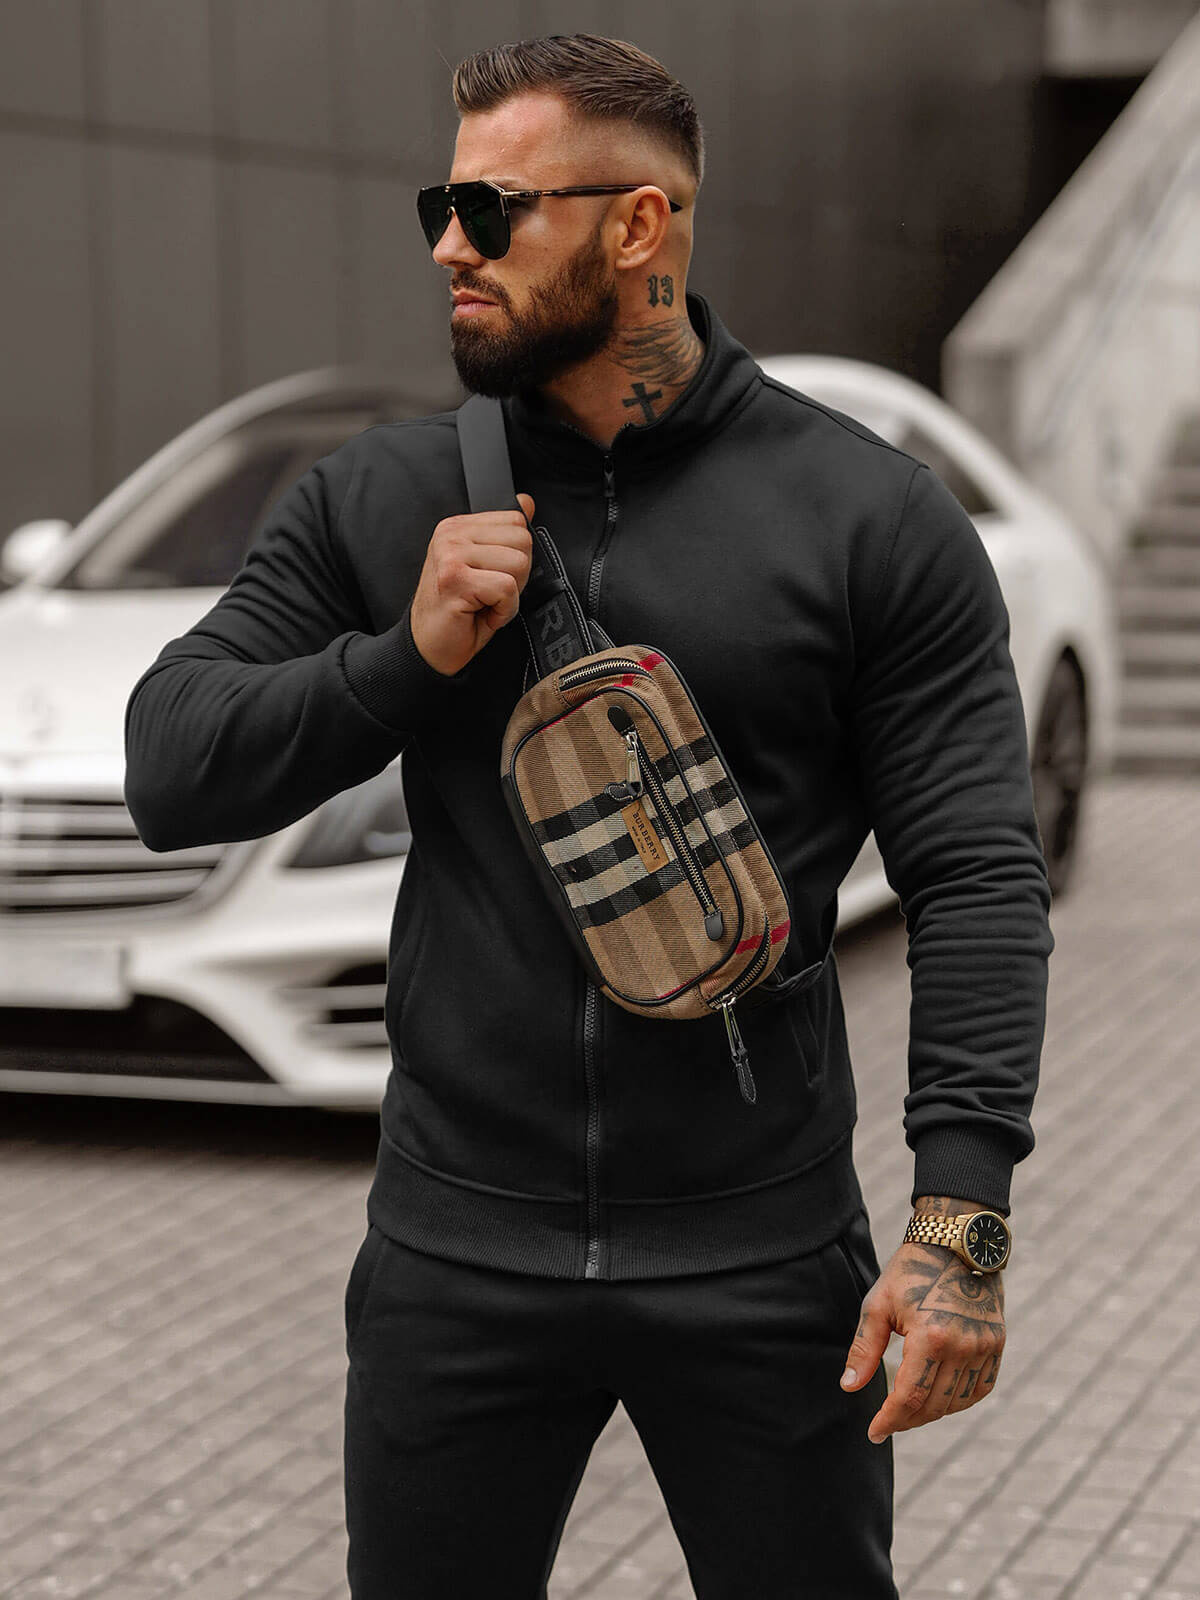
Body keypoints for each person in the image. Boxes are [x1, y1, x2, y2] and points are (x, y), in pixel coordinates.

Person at [123, 31, 1055, 1600]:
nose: (448, 246)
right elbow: (170, 765)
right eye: (442, 206)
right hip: (456, 1255)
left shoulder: (867, 517)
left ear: (639, 227)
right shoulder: (384, 497)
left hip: (764, 1255)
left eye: (492, 211)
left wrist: (961, 1225)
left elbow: (974, 876)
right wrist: (404, 659)